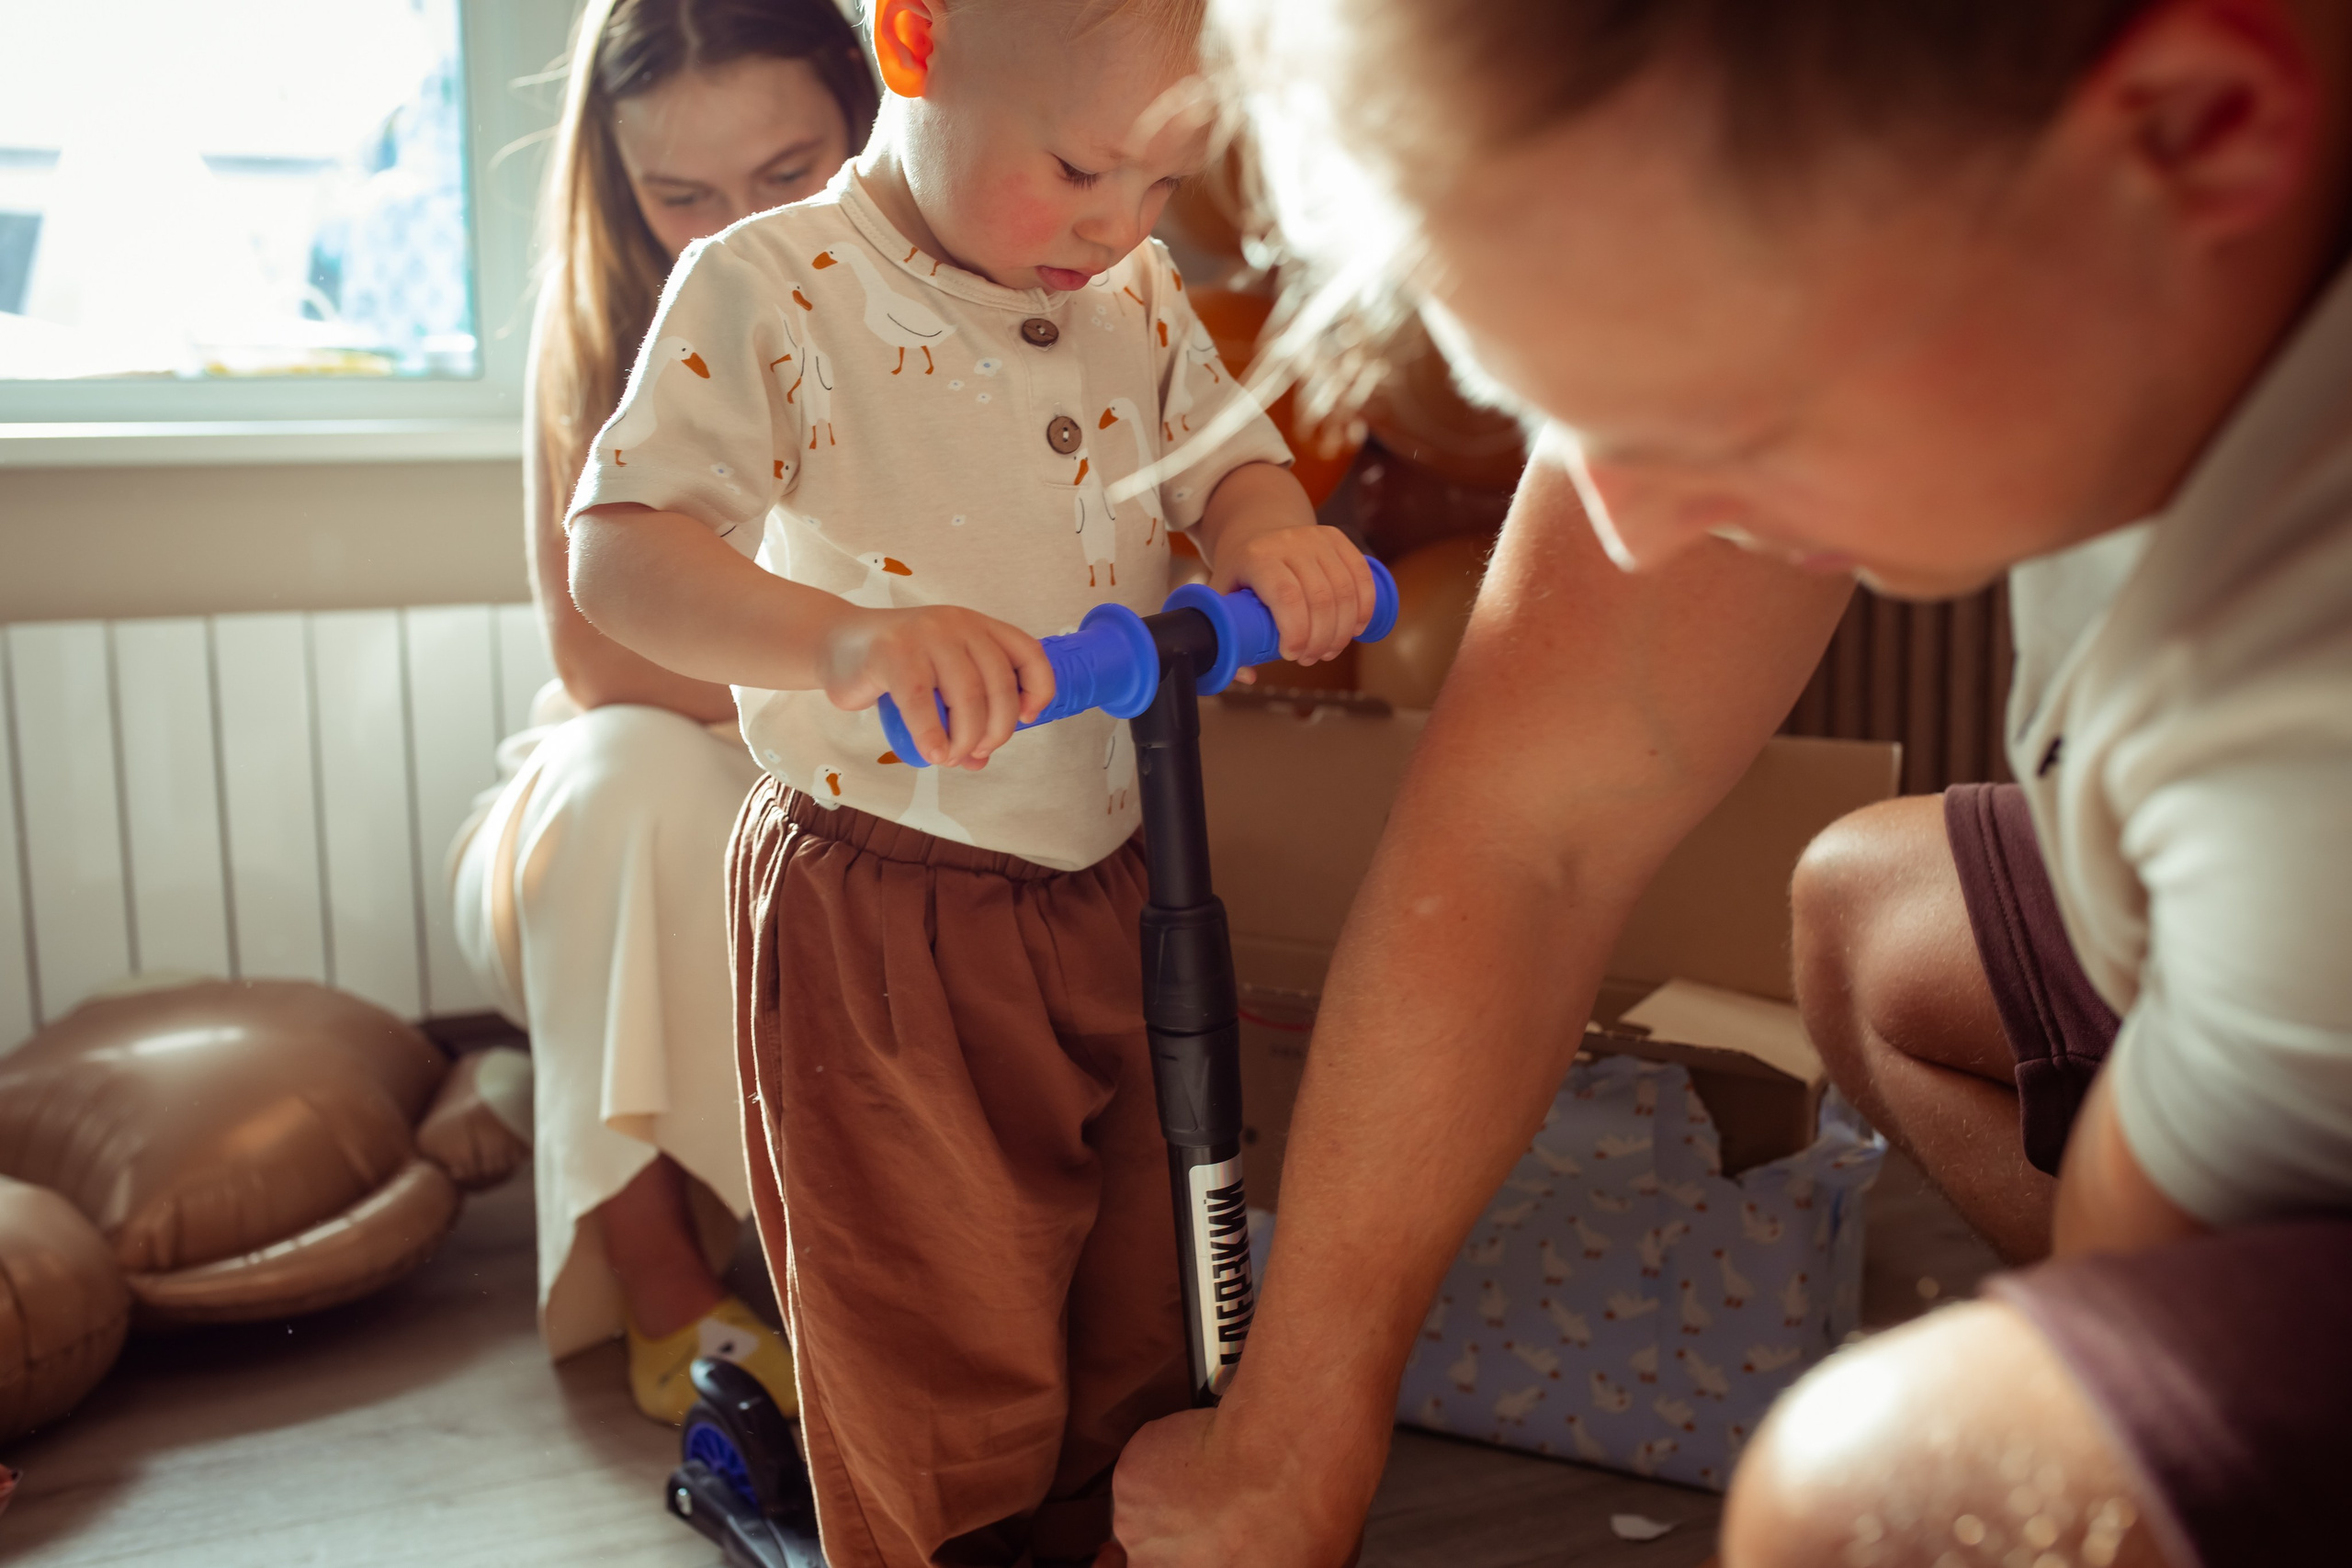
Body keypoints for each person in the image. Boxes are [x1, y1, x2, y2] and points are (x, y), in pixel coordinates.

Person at [1107, 2, 2352, 1566]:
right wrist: (1279, 1452)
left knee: (1877, 1501)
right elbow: (1533, 823)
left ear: (2197, 133)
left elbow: (2135, 1308)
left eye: (1729, 418)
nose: (1628, 532)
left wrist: (2036, 1402)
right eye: (1574, 416)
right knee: (1864, 922)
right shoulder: (1850, 185)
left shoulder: (2308, 706)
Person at [564, 2, 1383, 1561]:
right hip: (890, 901)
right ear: (915, 43)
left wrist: (1271, 535)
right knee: (939, 1321)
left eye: (1161, 185)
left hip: (1126, 867)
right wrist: (848, 640)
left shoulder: (1130, 286)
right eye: (1080, 168)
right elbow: (623, 553)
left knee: (1143, 1281)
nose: (1120, 225)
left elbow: (1229, 458)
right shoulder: (771, 285)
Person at [448, 0, 876, 1427]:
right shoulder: (600, 329)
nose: (732, 227)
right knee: (631, 774)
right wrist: (866, 667)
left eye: (784, 173)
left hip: (857, 778)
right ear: (613, 178)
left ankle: (871, 1281)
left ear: (870, 118)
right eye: (678, 193)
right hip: (619, 794)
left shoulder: (953, 299)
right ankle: (665, 1294)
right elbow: (599, 664)